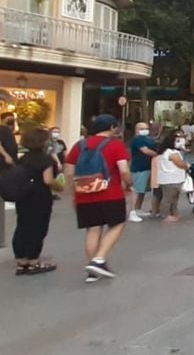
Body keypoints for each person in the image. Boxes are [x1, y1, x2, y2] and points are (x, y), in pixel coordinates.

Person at [64, 115, 132, 283]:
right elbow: (123, 170)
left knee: (92, 229)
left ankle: (92, 269)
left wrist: (74, 191)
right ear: (111, 128)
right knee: (117, 224)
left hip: (84, 193)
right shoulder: (116, 145)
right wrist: (129, 184)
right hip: (110, 192)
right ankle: (99, 259)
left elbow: (69, 172)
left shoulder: (79, 146)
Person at [11, 127, 60, 275]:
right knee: (38, 227)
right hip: (40, 196)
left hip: (24, 196)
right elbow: (48, 180)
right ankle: (33, 260)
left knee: (23, 225)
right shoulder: (46, 160)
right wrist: (60, 187)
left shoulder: (22, 159)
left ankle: (21, 260)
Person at [151, 131, 188, 223]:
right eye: (178, 140)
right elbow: (180, 163)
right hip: (171, 179)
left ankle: (174, 213)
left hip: (172, 179)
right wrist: (188, 166)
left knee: (174, 198)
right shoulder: (171, 153)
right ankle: (166, 215)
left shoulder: (165, 152)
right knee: (168, 198)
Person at [128, 122, 158, 222]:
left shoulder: (148, 139)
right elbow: (145, 151)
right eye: (142, 128)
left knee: (142, 191)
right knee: (136, 190)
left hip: (147, 167)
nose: (145, 130)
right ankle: (132, 211)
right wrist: (157, 154)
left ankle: (138, 209)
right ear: (136, 129)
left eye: (146, 128)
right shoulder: (137, 140)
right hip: (139, 168)